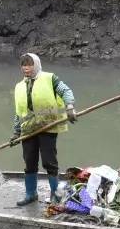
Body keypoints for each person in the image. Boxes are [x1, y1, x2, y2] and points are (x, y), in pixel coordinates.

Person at [10, 52, 76, 206]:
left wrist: (70, 106)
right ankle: (31, 194)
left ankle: (55, 195)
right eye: (24, 65)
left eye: (30, 64)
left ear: (37, 65)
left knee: (49, 161)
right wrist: (16, 132)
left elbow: (65, 91)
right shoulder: (19, 86)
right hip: (28, 130)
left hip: (48, 127)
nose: (26, 68)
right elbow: (18, 112)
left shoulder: (49, 78)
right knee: (29, 162)